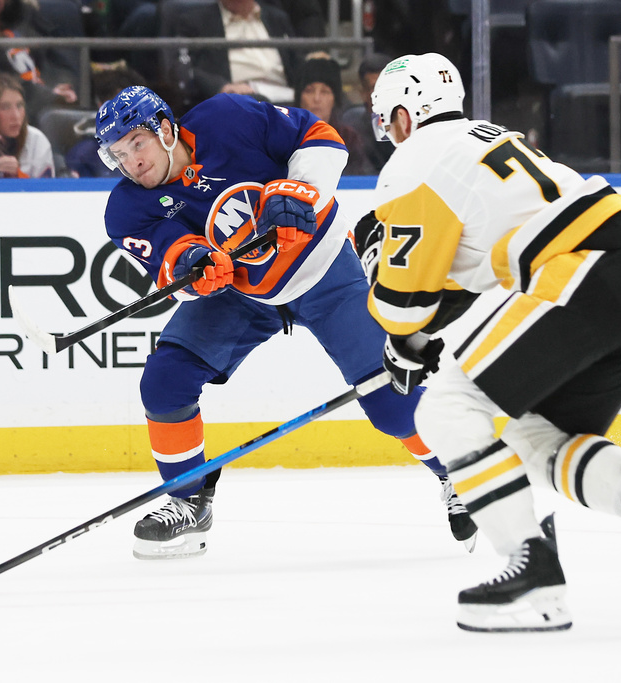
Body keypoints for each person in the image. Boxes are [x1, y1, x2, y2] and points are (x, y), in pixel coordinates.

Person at [364, 53, 621, 632]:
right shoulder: (484, 139)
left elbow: (406, 305)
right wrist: (420, 335)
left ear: (402, 116)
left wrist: (404, 343)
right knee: (535, 435)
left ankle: (533, 574)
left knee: (448, 409)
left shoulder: (414, 161)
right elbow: (479, 281)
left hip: (584, 269)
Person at [93, 85, 477, 561]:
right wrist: (196, 268)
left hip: (326, 269)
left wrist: (298, 189)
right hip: (241, 295)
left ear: (166, 129)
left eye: (137, 143)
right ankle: (188, 499)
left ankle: (461, 471)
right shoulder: (127, 208)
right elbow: (172, 266)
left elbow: (321, 136)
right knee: (165, 382)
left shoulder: (227, 116)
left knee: (390, 404)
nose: (132, 162)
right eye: (119, 155)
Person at [165, 0, 303, 108]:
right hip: (237, 99)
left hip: (284, 97)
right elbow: (183, 67)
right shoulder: (196, 21)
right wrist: (222, 87)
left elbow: (296, 61)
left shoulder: (277, 18)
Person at [294, 55, 373, 176]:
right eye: (309, 91)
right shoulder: (286, 136)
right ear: (299, 97)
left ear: (335, 99)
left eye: (325, 91)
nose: (317, 98)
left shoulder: (348, 138)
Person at [340, 52, 394, 174]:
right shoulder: (352, 132)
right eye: (375, 87)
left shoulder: (414, 126)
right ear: (363, 93)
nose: (382, 94)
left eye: (386, 87)